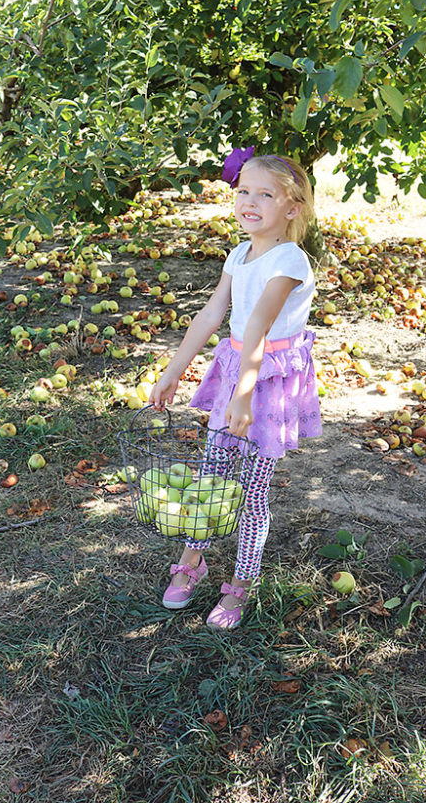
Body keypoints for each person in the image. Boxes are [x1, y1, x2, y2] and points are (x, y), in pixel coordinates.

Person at [148, 147, 322, 630]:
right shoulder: (239, 254)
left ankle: (242, 582)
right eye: (243, 190)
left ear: (292, 207)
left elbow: (261, 329)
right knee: (213, 475)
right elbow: (210, 315)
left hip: (267, 380)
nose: (250, 201)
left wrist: (245, 394)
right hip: (238, 375)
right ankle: (194, 560)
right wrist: (173, 371)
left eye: (265, 194)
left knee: (252, 490)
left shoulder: (290, 261)